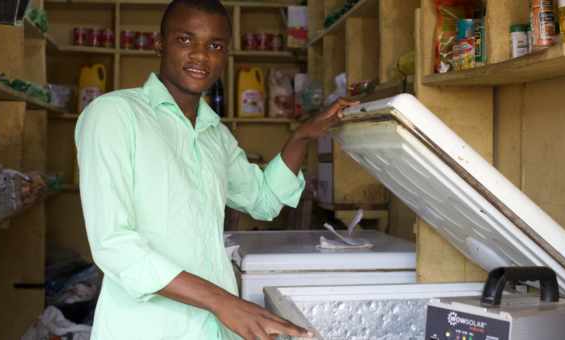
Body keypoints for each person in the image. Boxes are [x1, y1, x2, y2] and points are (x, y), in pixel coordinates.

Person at [75, 0, 358, 338]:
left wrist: (301, 136)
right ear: (159, 45)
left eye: (215, 45)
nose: (201, 55)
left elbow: (264, 200)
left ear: (225, 56)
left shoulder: (215, 135)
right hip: (149, 328)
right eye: (185, 40)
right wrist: (224, 302)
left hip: (215, 329)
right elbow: (113, 244)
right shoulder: (114, 115)